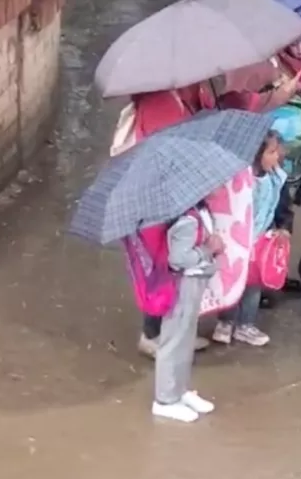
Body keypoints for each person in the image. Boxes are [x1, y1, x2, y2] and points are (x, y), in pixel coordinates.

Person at [131, 83, 216, 358]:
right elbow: (167, 151)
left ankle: (175, 331)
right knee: (161, 266)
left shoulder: (185, 95)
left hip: (175, 193)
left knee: (175, 270)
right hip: (160, 199)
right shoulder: (159, 103)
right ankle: (153, 333)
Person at [212, 132, 288, 346]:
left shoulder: (276, 178)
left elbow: (283, 206)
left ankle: (245, 324)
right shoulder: (241, 180)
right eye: (271, 152)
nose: (277, 157)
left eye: (277, 152)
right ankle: (225, 322)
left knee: (253, 285)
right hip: (236, 241)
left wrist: (283, 227)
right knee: (232, 281)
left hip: (260, 241)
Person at [152, 201, 224, 423]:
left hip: (193, 282)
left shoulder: (199, 213)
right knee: (175, 339)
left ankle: (179, 389)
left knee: (185, 337)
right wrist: (207, 250)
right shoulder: (187, 220)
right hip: (183, 284)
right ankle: (165, 399)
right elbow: (178, 259)